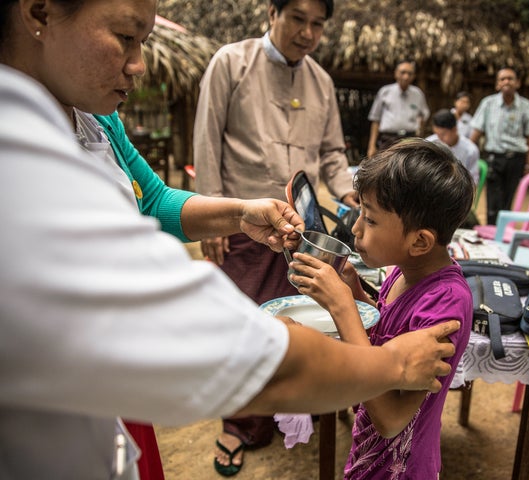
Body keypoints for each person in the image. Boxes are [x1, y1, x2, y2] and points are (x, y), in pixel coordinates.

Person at [0, 61, 462, 479]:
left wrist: (241, 214)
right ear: (38, 14)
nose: (138, 62)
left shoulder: (94, 116)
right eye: (124, 36)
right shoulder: (21, 161)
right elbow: (240, 355)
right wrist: (385, 352)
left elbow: (155, 199)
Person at [192, 0, 360, 474]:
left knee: (299, 322)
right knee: (243, 324)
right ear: (272, 12)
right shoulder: (231, 62)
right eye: (297, 19)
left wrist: (351, 192)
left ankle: (295, 409)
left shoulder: (322, 82)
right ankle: (241, 424)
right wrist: (212, 219)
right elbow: (206, 140)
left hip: (301, 228)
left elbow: (331, 154)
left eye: (318, 25)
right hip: (242, 222)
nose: (307, 33)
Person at [290, 139, 475, 479]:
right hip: (370, 455)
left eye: (371, 220)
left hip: (400, 468)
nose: (356, 229)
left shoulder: (446, 302)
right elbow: (386, 336)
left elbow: (390, 419)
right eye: (360, 212)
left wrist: (343, 308)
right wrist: (356, 293)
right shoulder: (406, 271)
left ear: (419, 242)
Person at [469, 67, 529, 225]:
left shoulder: (527, 107)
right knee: (493, 200)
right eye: (502, 79)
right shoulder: (488, 104)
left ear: (518, 83)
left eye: (510, 78)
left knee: (508, 199)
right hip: (494, 158)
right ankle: (491, 234)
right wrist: (466, 154)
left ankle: (503, 233)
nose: (506, 82)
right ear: (497, 85)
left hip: (516, 159)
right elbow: (476, 132)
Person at [366, 59, 430, 157]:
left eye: (410, 73)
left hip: (410, 139)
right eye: (403, 72)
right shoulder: (385, 92)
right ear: (396, 73)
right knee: (386, 169)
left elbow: (424, 115)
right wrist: (371, 146)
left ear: (414, 76)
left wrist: (419, 137)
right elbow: (375, 119)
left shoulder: (418, 94)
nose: (406, 76)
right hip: (388, 140)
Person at [425, 108, 480, 185]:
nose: (439, 138)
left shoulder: (470, 150)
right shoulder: (430, 143)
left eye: (443, 134)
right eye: (437, 134)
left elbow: (473, 180)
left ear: (454, 130)